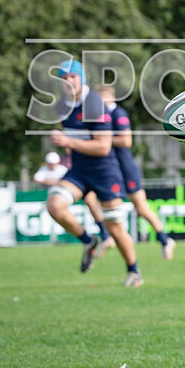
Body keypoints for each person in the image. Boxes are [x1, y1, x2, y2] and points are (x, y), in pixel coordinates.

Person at [45, 59, 143, 287]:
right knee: (54, 205)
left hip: (104, 172)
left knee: (115, 225)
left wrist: (68, 140)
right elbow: (75, 139)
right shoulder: (62, 105)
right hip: (79, 171)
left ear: (81, 78)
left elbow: (103, 147)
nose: (68, 81)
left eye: (73, 76)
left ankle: (134, 271)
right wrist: (67, 144)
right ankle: (89, 241)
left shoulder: (94, 105)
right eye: (64, 77)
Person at [96, 86, 176, 260]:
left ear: (111, 98)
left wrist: (102, 139)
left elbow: (126, 140)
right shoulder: (101, 117)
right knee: (97, 201)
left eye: (102, 98)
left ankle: (165, 240)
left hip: (125, 168)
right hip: (110, 169)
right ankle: (106, 237)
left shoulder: (118, 114)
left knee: (141, 207)